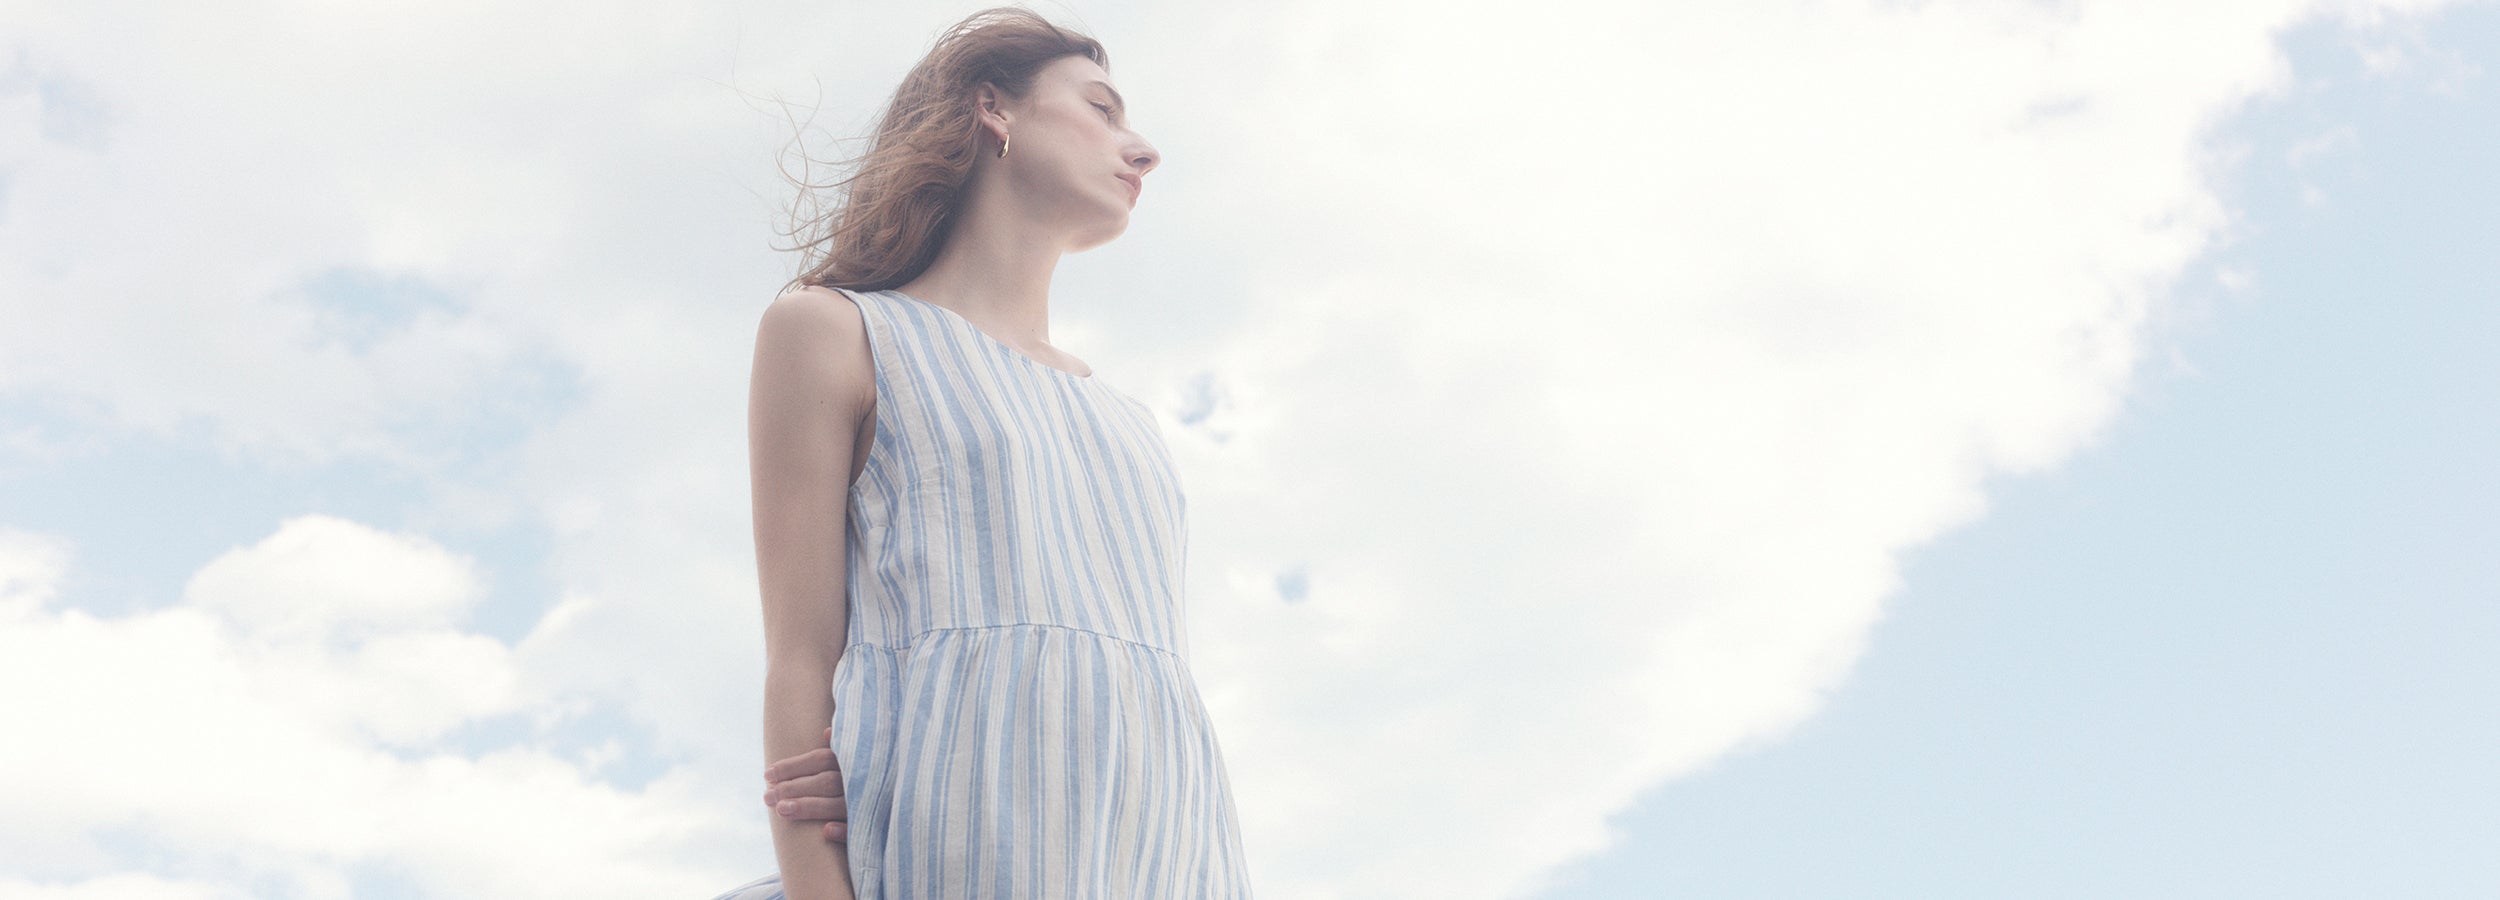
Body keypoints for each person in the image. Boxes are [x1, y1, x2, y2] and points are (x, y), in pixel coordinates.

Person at [711, 7, 1252, 899]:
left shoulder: (1130, 423)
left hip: (1170, 843)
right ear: (993, 109)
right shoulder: (836, 331)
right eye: (1102, 107)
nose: (1143, 147)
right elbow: (801, 657)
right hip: (957, 835)